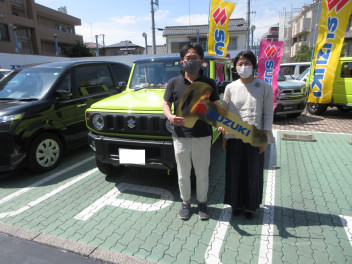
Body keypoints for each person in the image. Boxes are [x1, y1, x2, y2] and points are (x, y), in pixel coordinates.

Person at [163, 43, 219, 220]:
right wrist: (170, 117)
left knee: (202, 173)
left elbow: (216, 107)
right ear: (181, 62)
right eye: (188, 58)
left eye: (195, 58)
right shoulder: (173, 83)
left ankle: (202, 203)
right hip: (180, 137)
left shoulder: (209, 83)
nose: (191, 61)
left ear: (202, 61)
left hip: (203, 136)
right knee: (183, 174)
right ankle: (186, 203)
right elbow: (165, 104)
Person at [220, 50, 274, 220]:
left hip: (255, 137)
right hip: (234, 137)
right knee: (234, 172)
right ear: (235, 67)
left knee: (252, 174)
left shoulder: (264, 87)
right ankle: (235, 204)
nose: (243, 67)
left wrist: (265, 137)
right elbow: (225, 113)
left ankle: (250, 206)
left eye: (247, 63)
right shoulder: (230, 87)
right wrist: (223, 136)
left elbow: (267, 114)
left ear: (254, 66)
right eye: (240, 64)